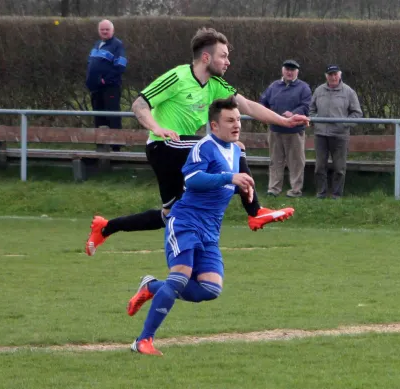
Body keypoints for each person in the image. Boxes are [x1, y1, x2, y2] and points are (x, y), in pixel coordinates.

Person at [85, 27, 309, 256]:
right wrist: (157, 128)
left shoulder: (215, 85)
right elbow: (139, 104)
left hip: (182, 154)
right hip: (164, 147)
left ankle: (106, 227)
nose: (227, 62)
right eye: (223, 56)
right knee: (233, 149)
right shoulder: (178, 77)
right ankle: (255, 211)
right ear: (206, 57)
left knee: (169, 214)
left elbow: (249, 106)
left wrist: (284, 121)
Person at [128, 96, 256, 355]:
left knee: (210, 289)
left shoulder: (233, 149)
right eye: (230, 120)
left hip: (210, 231)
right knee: (179, 277)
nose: (236, 125)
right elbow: (194, 179)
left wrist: (243, 189)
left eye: (239, 120)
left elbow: (220, 186)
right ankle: (143, 341)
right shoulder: (204, 146)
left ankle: (151, 286)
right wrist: (230, 177)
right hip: (185, 222)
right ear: (214, 125)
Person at [260, 60, 312, 198]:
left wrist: (294, 113)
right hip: (275, 130)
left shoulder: (303, 87)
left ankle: (295, 190)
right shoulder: (273, 86)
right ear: (283, 70)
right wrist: (266, 113)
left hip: (294, 131)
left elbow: (306, 106)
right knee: (275, 160)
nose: (289, 72)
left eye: (292, 70)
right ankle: (273, 189)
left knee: (296, 162)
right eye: (287, 69)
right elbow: (262, 102)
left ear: (297, 72)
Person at [310, 65, 362, 199]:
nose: (333, 77)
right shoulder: (319, 90)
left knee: (339, 168)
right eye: (330, 74)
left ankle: (336, 195)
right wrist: (316, 120)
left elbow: (357, 114)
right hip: (321, 135)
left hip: (340, 136)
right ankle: (321, 193)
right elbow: (311, 110)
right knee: (319, 166)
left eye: (335, 74)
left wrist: (343, 123)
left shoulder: (349, 92)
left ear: (340, 75)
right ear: (326, 76)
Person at [85, 19, 127, 151]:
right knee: (99, 117)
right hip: (96, 88)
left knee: (112, 116)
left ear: (112, 30)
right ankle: (101, 146)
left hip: (110, 88)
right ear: (98, 31)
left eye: (107, 29)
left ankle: (116, 148)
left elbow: (121, 65)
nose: (104, 31)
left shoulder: (117, 45)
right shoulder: (97, 44)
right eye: (102, 29)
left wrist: (106, 80)